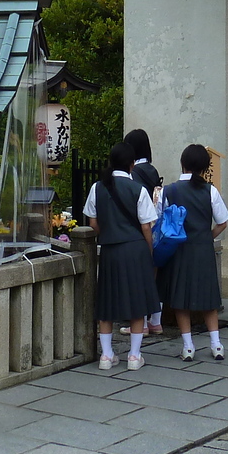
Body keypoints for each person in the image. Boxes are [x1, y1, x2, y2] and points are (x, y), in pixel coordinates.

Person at [86, 140, 161, 371]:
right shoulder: (138, 189)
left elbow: (93, 222)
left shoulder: (97, 187)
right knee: (137, 303)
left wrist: (108, 233)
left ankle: (106, 356)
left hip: (109, 249)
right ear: (131, 164)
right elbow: (147, 226)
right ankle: (134, 355)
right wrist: (149, 249)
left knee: (107, 302)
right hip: (136, 249)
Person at [158, 144, 228, 360]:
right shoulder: (210, 190)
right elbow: (223, 222)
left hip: (179, 248)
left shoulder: (169, 190)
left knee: (181, 299)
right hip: (203, 249)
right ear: (204, 167)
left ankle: (188, 346)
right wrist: (207, 236)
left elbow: (160, 219)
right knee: (209, 298)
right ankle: (216, 344)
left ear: (183, 164)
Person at [123, 128, 166, 337]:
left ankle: (140, 324)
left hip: (140, 230)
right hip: (156, 229)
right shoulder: (152, 170)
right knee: (154, 275)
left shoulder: (133, 174)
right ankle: (156, 320)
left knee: (138, 278)